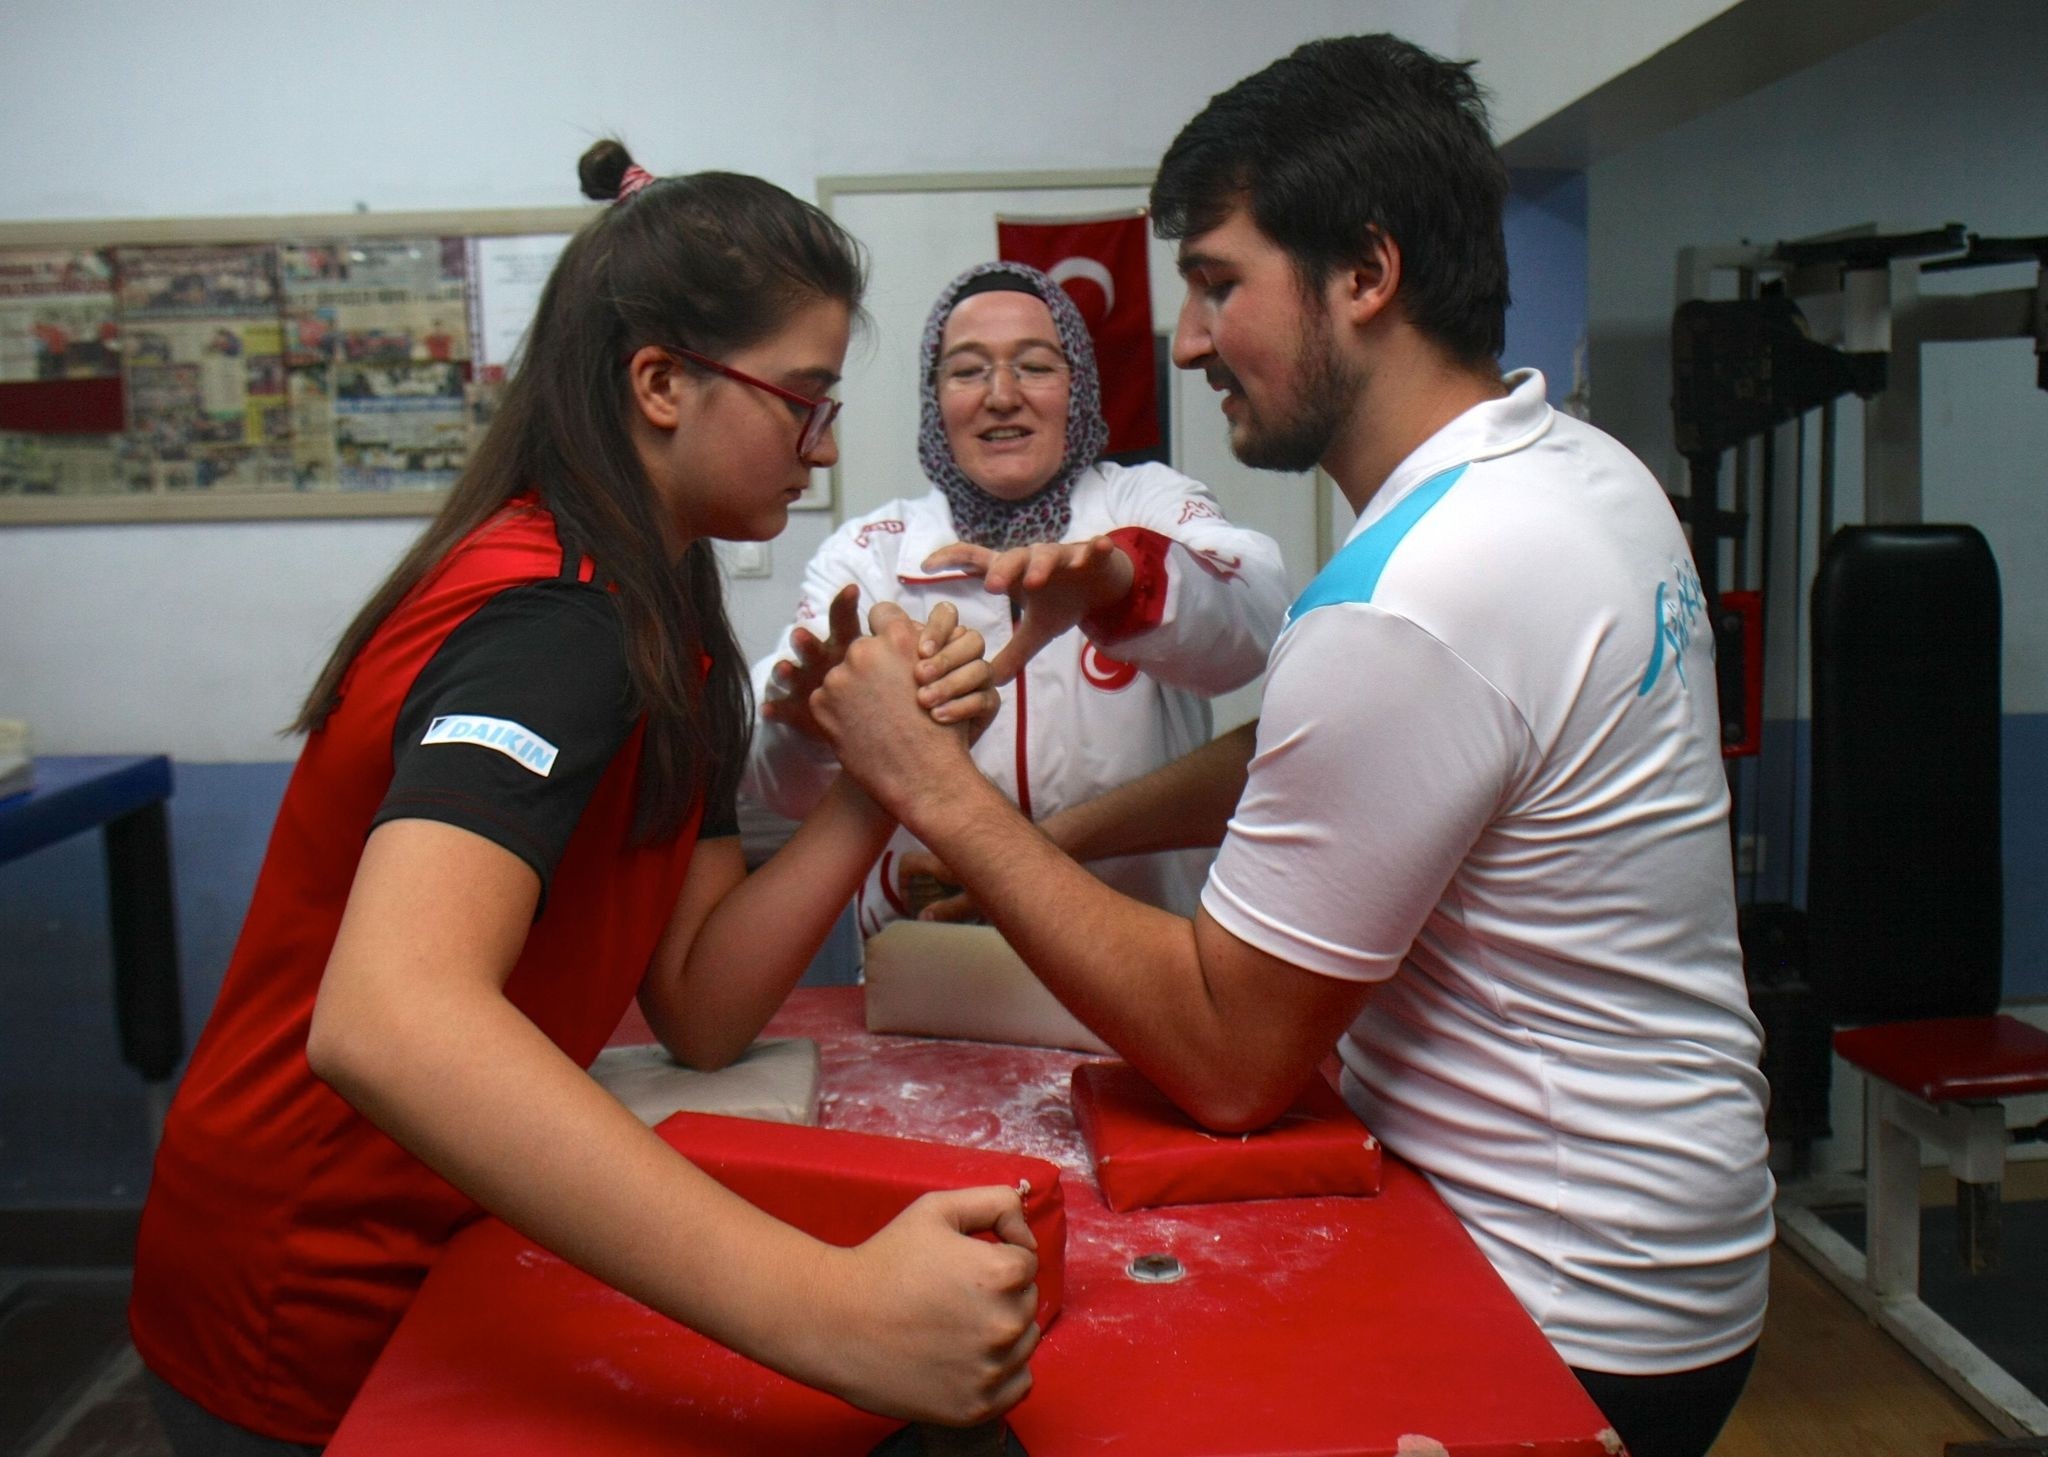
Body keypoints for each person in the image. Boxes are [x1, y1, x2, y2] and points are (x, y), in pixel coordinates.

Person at [808, 36, 1772, 1457]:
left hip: (1558, 1296)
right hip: (1676, 1235)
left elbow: (1228, 1057)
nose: (1190, 343)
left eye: (1217, 284)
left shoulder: (1416, 595)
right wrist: (1062, 838)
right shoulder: (1577, 471)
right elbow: (1327, 753)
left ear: (1364, 276)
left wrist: (932, 787)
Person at [129, 140, 1039, 1455]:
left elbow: (704, 1004)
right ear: (660, 383)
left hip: (451, 1245)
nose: (818, 448)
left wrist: (879, 777)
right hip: (308, 1306)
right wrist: (835, 1307)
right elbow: (388, 1019)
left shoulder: (666, 614)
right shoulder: (553, 620)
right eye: (802, 400)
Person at [743, 261, 1287, 934]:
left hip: (1137, 959)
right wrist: (803, 722)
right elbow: (788, 789)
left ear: (1078, 390)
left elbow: (1257, 621)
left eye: (1035, 366)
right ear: (934, 398)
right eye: (968, 371)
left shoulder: (1144, 504)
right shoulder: (872, 553)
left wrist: (1118, 584)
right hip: (928, 976)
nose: (1001, 396)